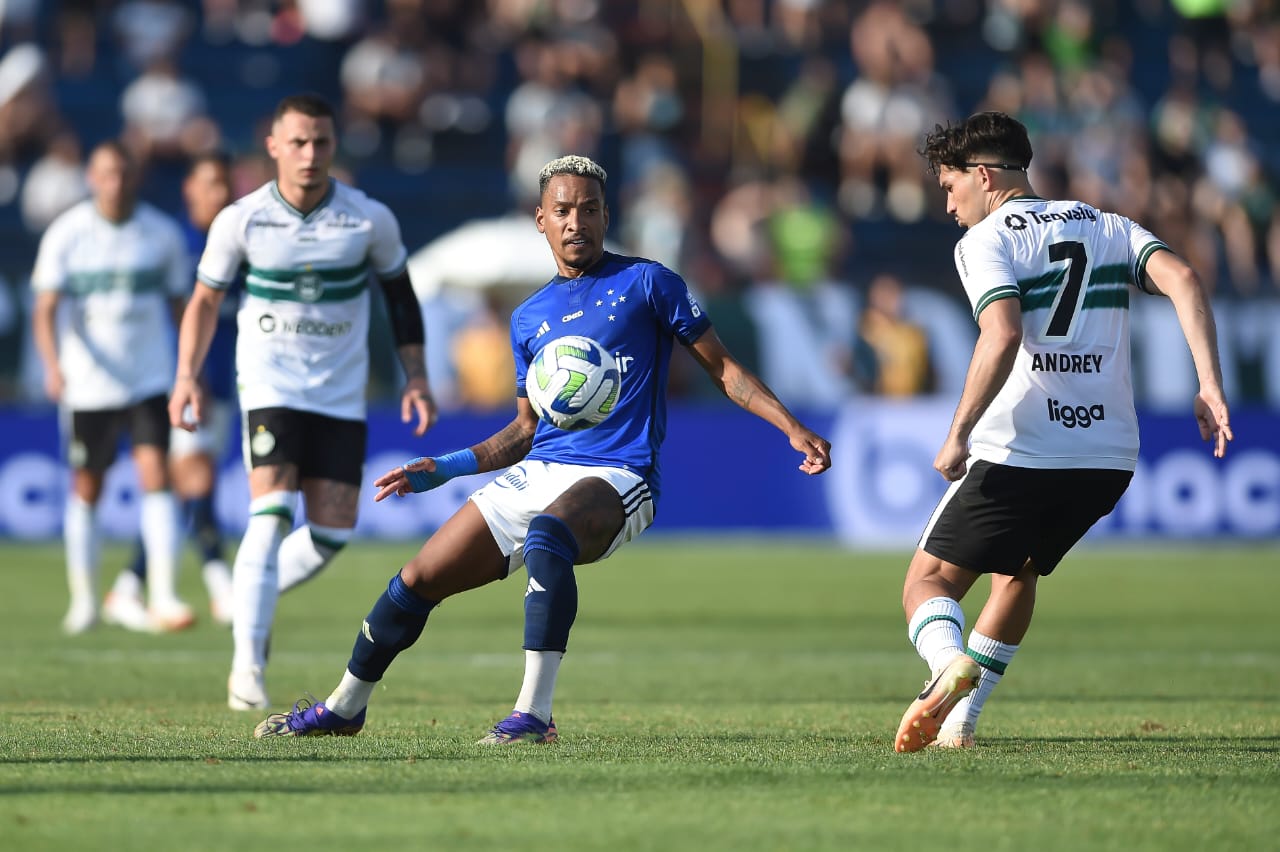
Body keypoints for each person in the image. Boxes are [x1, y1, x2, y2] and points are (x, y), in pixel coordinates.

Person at [252, 154, 833, 742]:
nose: (575, 222)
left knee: (549, 535)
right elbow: (523, 430)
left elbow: (726, 370)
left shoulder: (649, 283)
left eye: (588, 209)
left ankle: (533, 715)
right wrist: (446, 468)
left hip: (620, 474)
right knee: (415, 579)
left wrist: (790, 426)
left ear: (607, 217)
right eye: (562, 211)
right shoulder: (529, 317)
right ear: (541, 220)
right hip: (541, 469)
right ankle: (344, 709)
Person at [893, 112, 1233, 752]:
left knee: (928, 582)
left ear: (984, 176)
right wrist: (1210, 384)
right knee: (1018, 572)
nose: (948, 203)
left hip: (1022, 446)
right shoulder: (1105, 224)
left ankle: (945, 667)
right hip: (1107, 455)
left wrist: (958, 430)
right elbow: (1184, 278)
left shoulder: (987, 240)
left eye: (949, 186)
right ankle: (960, 723)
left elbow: (1003, 333)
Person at [168, 93, 438, 711]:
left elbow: (401, 299)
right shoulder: (241, 219)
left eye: (320, 141)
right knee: (270, 515)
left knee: (331, 533)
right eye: (297, 142)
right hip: (270, 386)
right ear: (272, 146)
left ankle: (247, 593)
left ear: (333, 145)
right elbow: (205, 303)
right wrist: (185, 375)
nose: (310, 154)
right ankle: (247, 667)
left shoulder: (368, 219)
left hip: (340, 395)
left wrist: (416, 377)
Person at [31, 140, 194, 635]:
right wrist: (52, 366)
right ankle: (84, 601)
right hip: (89, 384)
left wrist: (188, 370)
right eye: (106, 174)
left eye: (123, 174)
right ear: (91, 177)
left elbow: (180, 307)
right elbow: (45, 307)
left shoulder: (160, 234)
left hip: (149, 377)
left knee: (156, 477)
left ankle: (163, 594)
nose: (115, 183)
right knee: (88, 487)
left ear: (135, 177)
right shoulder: (68, 233)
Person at [107, 153, 238, 632]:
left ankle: (126, 586)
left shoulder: (239, 242)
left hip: (226, 384)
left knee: (188, 488)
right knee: (195, 475)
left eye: (225, 184)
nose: (220, 194)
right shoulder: (172, 243)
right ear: (189, 189)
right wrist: (183, 373)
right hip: (182, 385)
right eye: (210, 184)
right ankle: (221, 584)